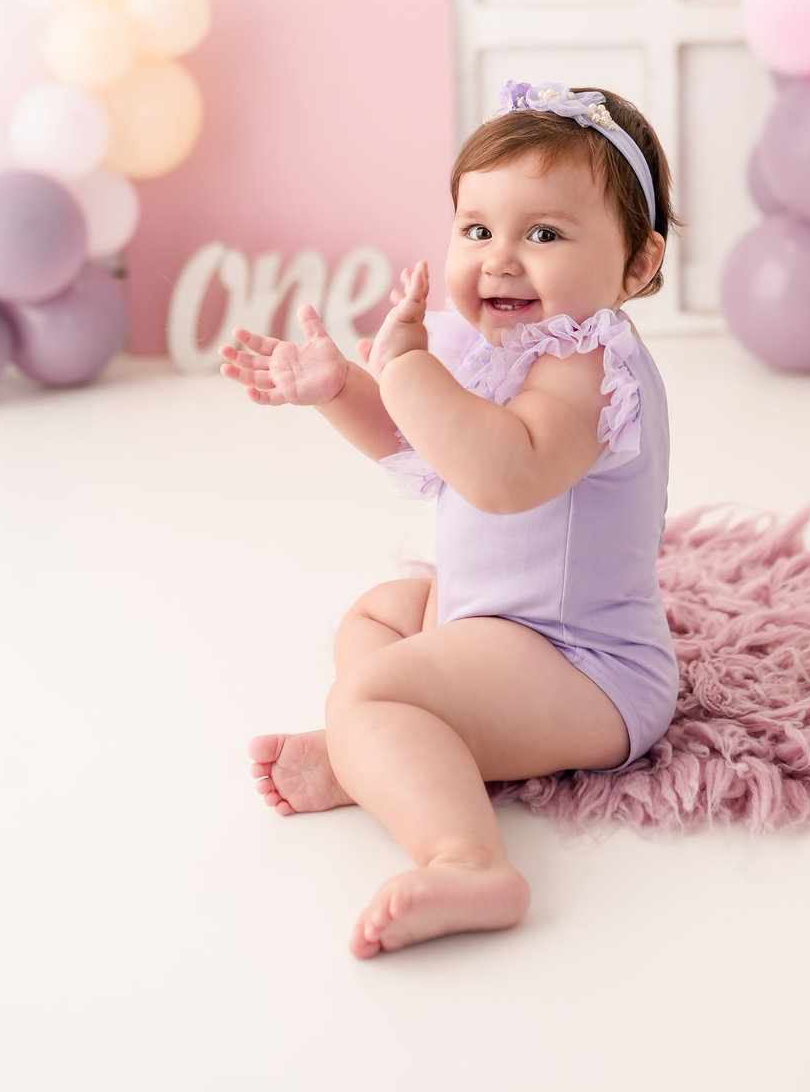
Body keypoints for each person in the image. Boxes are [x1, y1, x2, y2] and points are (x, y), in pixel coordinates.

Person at [220, 81, 679, 958]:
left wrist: (406, 371)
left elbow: (504, 474)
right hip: (491, 622)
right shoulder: (503, 349)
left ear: (637, 264)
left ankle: (466, 860)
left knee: (369, 689)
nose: (500, 259)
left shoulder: (589, 368)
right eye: (477, 230)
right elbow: (423, 443)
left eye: (544, 234)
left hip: (580, 663)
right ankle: (387, 752)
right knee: (378, 614)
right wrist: (343, 390)